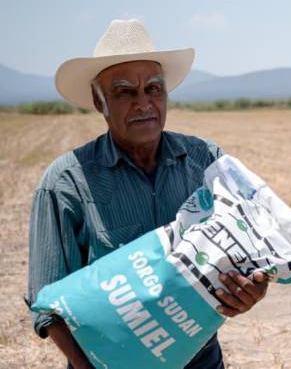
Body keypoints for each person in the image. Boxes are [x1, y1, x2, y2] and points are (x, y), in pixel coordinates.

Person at [26, 20, 270, 368]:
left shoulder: (206, 162)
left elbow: (250, 252)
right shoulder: (66, 182)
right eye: (124, 92)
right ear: (99, 101)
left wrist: (252, 290)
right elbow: (46, 305)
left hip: (203, 359)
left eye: (154, 89)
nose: (143, 103)